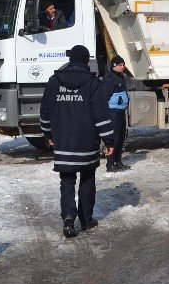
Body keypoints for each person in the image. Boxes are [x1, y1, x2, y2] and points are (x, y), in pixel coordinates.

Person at [39, 45, 114, 238]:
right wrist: (109, 140)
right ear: (85, 61)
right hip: (87, 143)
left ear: (70, 60)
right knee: (87, 179)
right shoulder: (92, 83)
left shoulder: (54, 82)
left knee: (67, 180)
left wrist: (49, 135)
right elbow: (101, 116)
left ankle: (69, 217)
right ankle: (86, 220)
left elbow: (45, 113)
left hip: (63, 143)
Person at [100, 55, 131, 172]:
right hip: (113, 113)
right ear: (114, 66)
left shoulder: (120, 77)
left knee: (121, 138)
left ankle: (118, 161)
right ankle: (110, 164)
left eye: (123, 65)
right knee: (113, 139)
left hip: (120, 112)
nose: (123, 67)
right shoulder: (109, 78)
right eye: (120, 65)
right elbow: (104, 97)